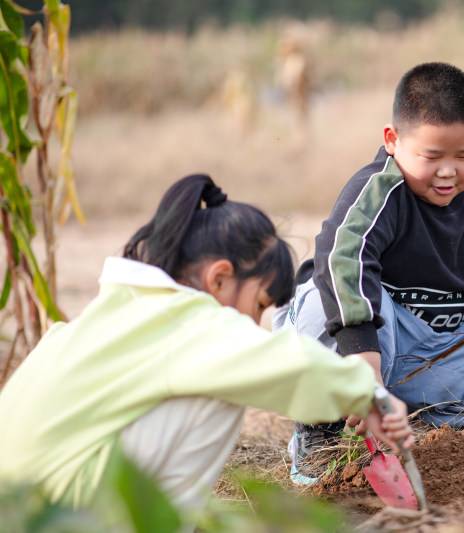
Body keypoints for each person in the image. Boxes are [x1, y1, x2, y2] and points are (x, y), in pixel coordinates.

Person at [0, 174, 413, 522]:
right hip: (59, 518)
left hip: (20, 507)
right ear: (219, 278)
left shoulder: (114, 314)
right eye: (258, 306)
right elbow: (284, 364)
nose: (254, 325)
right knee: (225, 390)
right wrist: (369, 394)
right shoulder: (188, 324)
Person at [274, 62, 464, 485]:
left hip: (439, 351)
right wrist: (364, 370)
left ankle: (434, 427)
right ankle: (321, 433)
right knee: (321, 298)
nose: (448, 171)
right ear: (393, 141)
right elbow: (342, 261)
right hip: (372, 345)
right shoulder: (377, 193)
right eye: (432, 156)